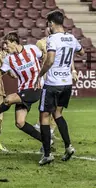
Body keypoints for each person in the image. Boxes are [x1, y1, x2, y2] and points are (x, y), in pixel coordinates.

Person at [0, 32, 46, 147]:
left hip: (36, 88)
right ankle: (46, 141)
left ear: (14, 42)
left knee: (8, 99)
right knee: (20, 123)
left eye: (7, 44)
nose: (5, 47)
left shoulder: (32, 49)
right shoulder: (9, 59)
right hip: (23, 90)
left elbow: (46, 57)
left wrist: (43, 74)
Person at [34, 10, 85, 165]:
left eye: (48, 24)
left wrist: (40, 74)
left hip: (52, 83)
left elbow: (49, 60)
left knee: (44, 116)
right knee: (58, 114)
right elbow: (81, 52)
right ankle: (68, 146)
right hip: (67, 83)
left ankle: (47, 154)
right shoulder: (71, 38)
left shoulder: (52, 39)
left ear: (51, 23)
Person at [34, 28, 79, 140]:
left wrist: (73, 70)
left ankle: (49, 130)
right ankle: (42, 127)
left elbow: (69, 56)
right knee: (47, 109)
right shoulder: (41, 43)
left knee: (56, 109)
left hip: (58, 77)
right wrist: (38, 74)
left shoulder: (59, 40)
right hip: (46, 77)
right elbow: (36, 58)